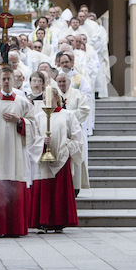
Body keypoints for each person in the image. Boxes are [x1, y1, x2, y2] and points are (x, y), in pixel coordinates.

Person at [0, 66, 40, 237]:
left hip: (15, 154)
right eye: (2, 78)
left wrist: (20, 121)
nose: (5, 82)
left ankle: (14, 228)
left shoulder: (22, 102)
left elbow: (34, 125)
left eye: (8, 79)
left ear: (14, 80)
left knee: (14, 186)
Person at [30, 88, 82, 233]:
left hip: (62, 158)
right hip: (44, 159)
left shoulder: (68, 115)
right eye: (44, 98)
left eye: (48, 97)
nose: (45, 100)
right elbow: (33, 137)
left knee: (59, 191)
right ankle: (43, 221)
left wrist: (66, 147)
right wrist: (42, 142)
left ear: (56, 98)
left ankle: (59, 222)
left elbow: (77, 138)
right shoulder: (39, 116)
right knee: (44, 189)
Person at [56, 73, 91, 194]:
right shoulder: (54, 95)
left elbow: (84, 110)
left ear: (69, 81)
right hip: (59, 131)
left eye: (64, 81)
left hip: (74, 130)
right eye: (59, 82)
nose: (62, 84)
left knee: (75, 156)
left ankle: (75, 186)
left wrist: (67, 116)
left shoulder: (78, 95)